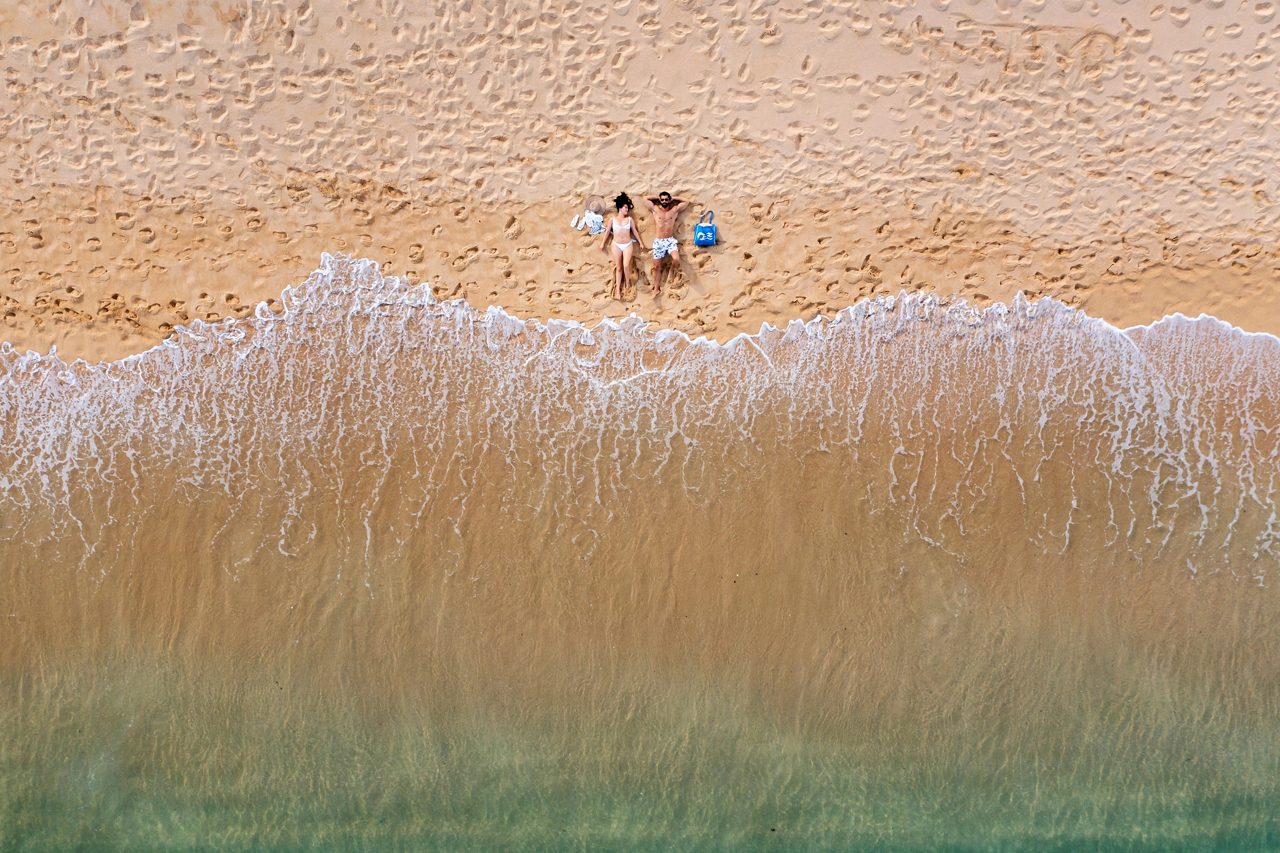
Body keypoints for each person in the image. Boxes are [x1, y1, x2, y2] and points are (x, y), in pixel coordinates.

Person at [643, 191, 692, 294]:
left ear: (669, 200)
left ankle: (671, 272)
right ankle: (656, 288)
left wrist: (673, 198)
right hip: (659, 242)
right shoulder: (656, 209)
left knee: (676, 259)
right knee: (657, 267)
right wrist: (658, 197)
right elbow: (645, 199)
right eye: (662, 200)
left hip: (670, 240)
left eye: (666, 199)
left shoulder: (674, 210)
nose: (664, 201)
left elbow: (686, 201)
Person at [600, 192, 645, 299]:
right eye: (625, 207)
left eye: (628, 208)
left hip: (628, 244)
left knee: (625, 265)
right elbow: (607, 232)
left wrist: (641, 243)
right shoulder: (612, 219)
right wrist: (602, 243)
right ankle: (617, 291)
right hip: (616, 245)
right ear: (620, 208)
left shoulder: (629, 220)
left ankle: (628, 282)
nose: (627, 210)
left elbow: (635, 232)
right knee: (619, 268)